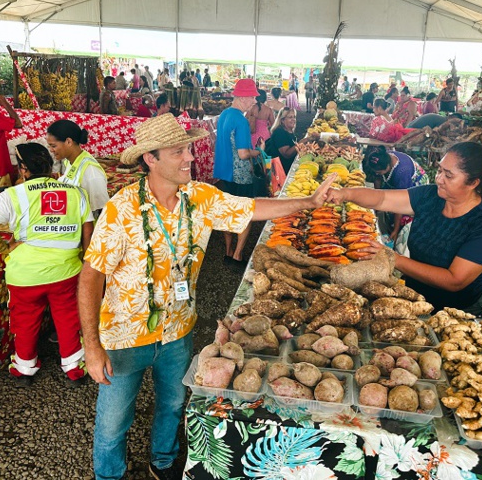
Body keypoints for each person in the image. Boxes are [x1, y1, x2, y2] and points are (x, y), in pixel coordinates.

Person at [78, 114, 337, 480]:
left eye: (188, 148)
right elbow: (91, 277)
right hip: (125, 336)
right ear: (150, 159)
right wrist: (91, 346)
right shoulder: (122, 210)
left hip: (178, 331)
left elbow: (252, 208)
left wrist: (307, 202)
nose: (190, 158)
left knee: (171, 404)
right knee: (113, 420)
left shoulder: (199, 197)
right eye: (178, 152)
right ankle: (109, 475)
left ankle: (163, 462)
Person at [327, 141, 482, 317]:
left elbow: (454, 280)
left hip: (463, 310)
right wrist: (344, 194)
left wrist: (395, 259)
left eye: (448, 176)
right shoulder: (430, 196)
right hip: (419, 297)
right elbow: (381, 199)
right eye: (440, 170)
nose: (439, 179)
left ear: (473, 183)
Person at [0, 143, 93, 387]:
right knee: (68, 316)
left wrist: (5, 250)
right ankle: (73, 367)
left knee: (26, 319)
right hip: (66, 271)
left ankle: (24, 367)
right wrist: (84, 261)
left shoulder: (11, 195)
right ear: (51, 166)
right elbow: (87, 232)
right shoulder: (76, 193)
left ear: (23, 170)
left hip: (24, 274)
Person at [214, 78, 265, 263]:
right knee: (245, 213)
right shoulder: (241, 121)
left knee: (227, 212)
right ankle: (238, 254)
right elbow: (243, 154)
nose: (254, 101)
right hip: (241, 176)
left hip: (223, 172)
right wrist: (259, 151)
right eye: (252, 97)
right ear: (243, 97)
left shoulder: (224, 115)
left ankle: (227, 251)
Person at [362, 145, 428, 241]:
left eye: (379, 172)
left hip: (414, 186)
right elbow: (377, 179)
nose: (377, 174)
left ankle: (399, 233)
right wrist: (376, 203)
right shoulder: (383, 157)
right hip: (396, 183)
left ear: (387, 168)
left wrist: (396, 230)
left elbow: (400, 203)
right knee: (388, 205)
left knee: (403, 217)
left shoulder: (402, 173)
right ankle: (392, 225)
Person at [46, 119, 109, 219]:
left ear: (68, 142)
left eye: (53, 146)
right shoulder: (69, 161)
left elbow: (102, 211)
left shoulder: (90, 171)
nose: (51, 150)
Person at [268, 107, 298, 175]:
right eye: (290, 117)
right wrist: (301, 142)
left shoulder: (288, 130)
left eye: (294, 117)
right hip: (281, 171)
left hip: (287, 168)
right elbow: (286, 154)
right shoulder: (280, 133)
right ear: (282, 120)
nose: (293, 119)